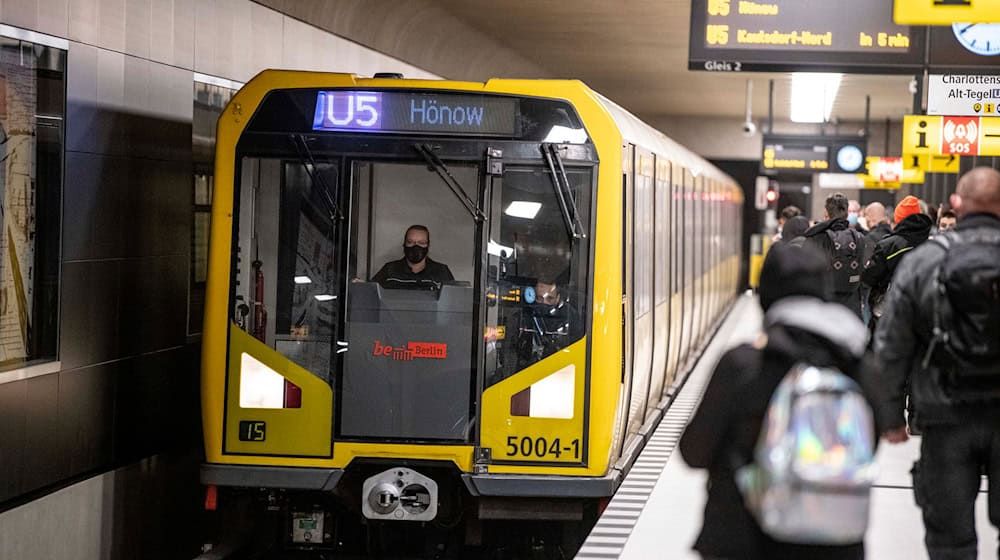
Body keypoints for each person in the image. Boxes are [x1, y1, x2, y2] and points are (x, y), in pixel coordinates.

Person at [680, 243, 878, 560]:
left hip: (742, 540)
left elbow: (694, 453)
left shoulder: (742, 365)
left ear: (766, 294)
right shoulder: (858, 367)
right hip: (833, 544)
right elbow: (866, 447)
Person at [874, 166, 1000, 559]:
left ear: (956, 205)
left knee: (949, 537)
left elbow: (892, 343)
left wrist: (891, 414)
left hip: (945, 416)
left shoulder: (925, 260)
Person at [861, 195, 933, 336]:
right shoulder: (933, 243)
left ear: (899, 219)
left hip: (889, 310)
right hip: (925, 308)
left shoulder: (888, 246)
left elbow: (869, 277)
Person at [801, 193, 867, 318]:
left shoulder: (814, 237)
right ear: (846, 213)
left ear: (826, 213)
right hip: (852, 307)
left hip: (823, 307)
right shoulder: (860, 238)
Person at [371, 225, 454, 290]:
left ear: (428, 245)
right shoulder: (389, 269)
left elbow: (454, 301)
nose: (415, 246)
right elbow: (370, 293)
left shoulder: (442, 271)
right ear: (404, 244)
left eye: (421, 242)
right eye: (410, 242)